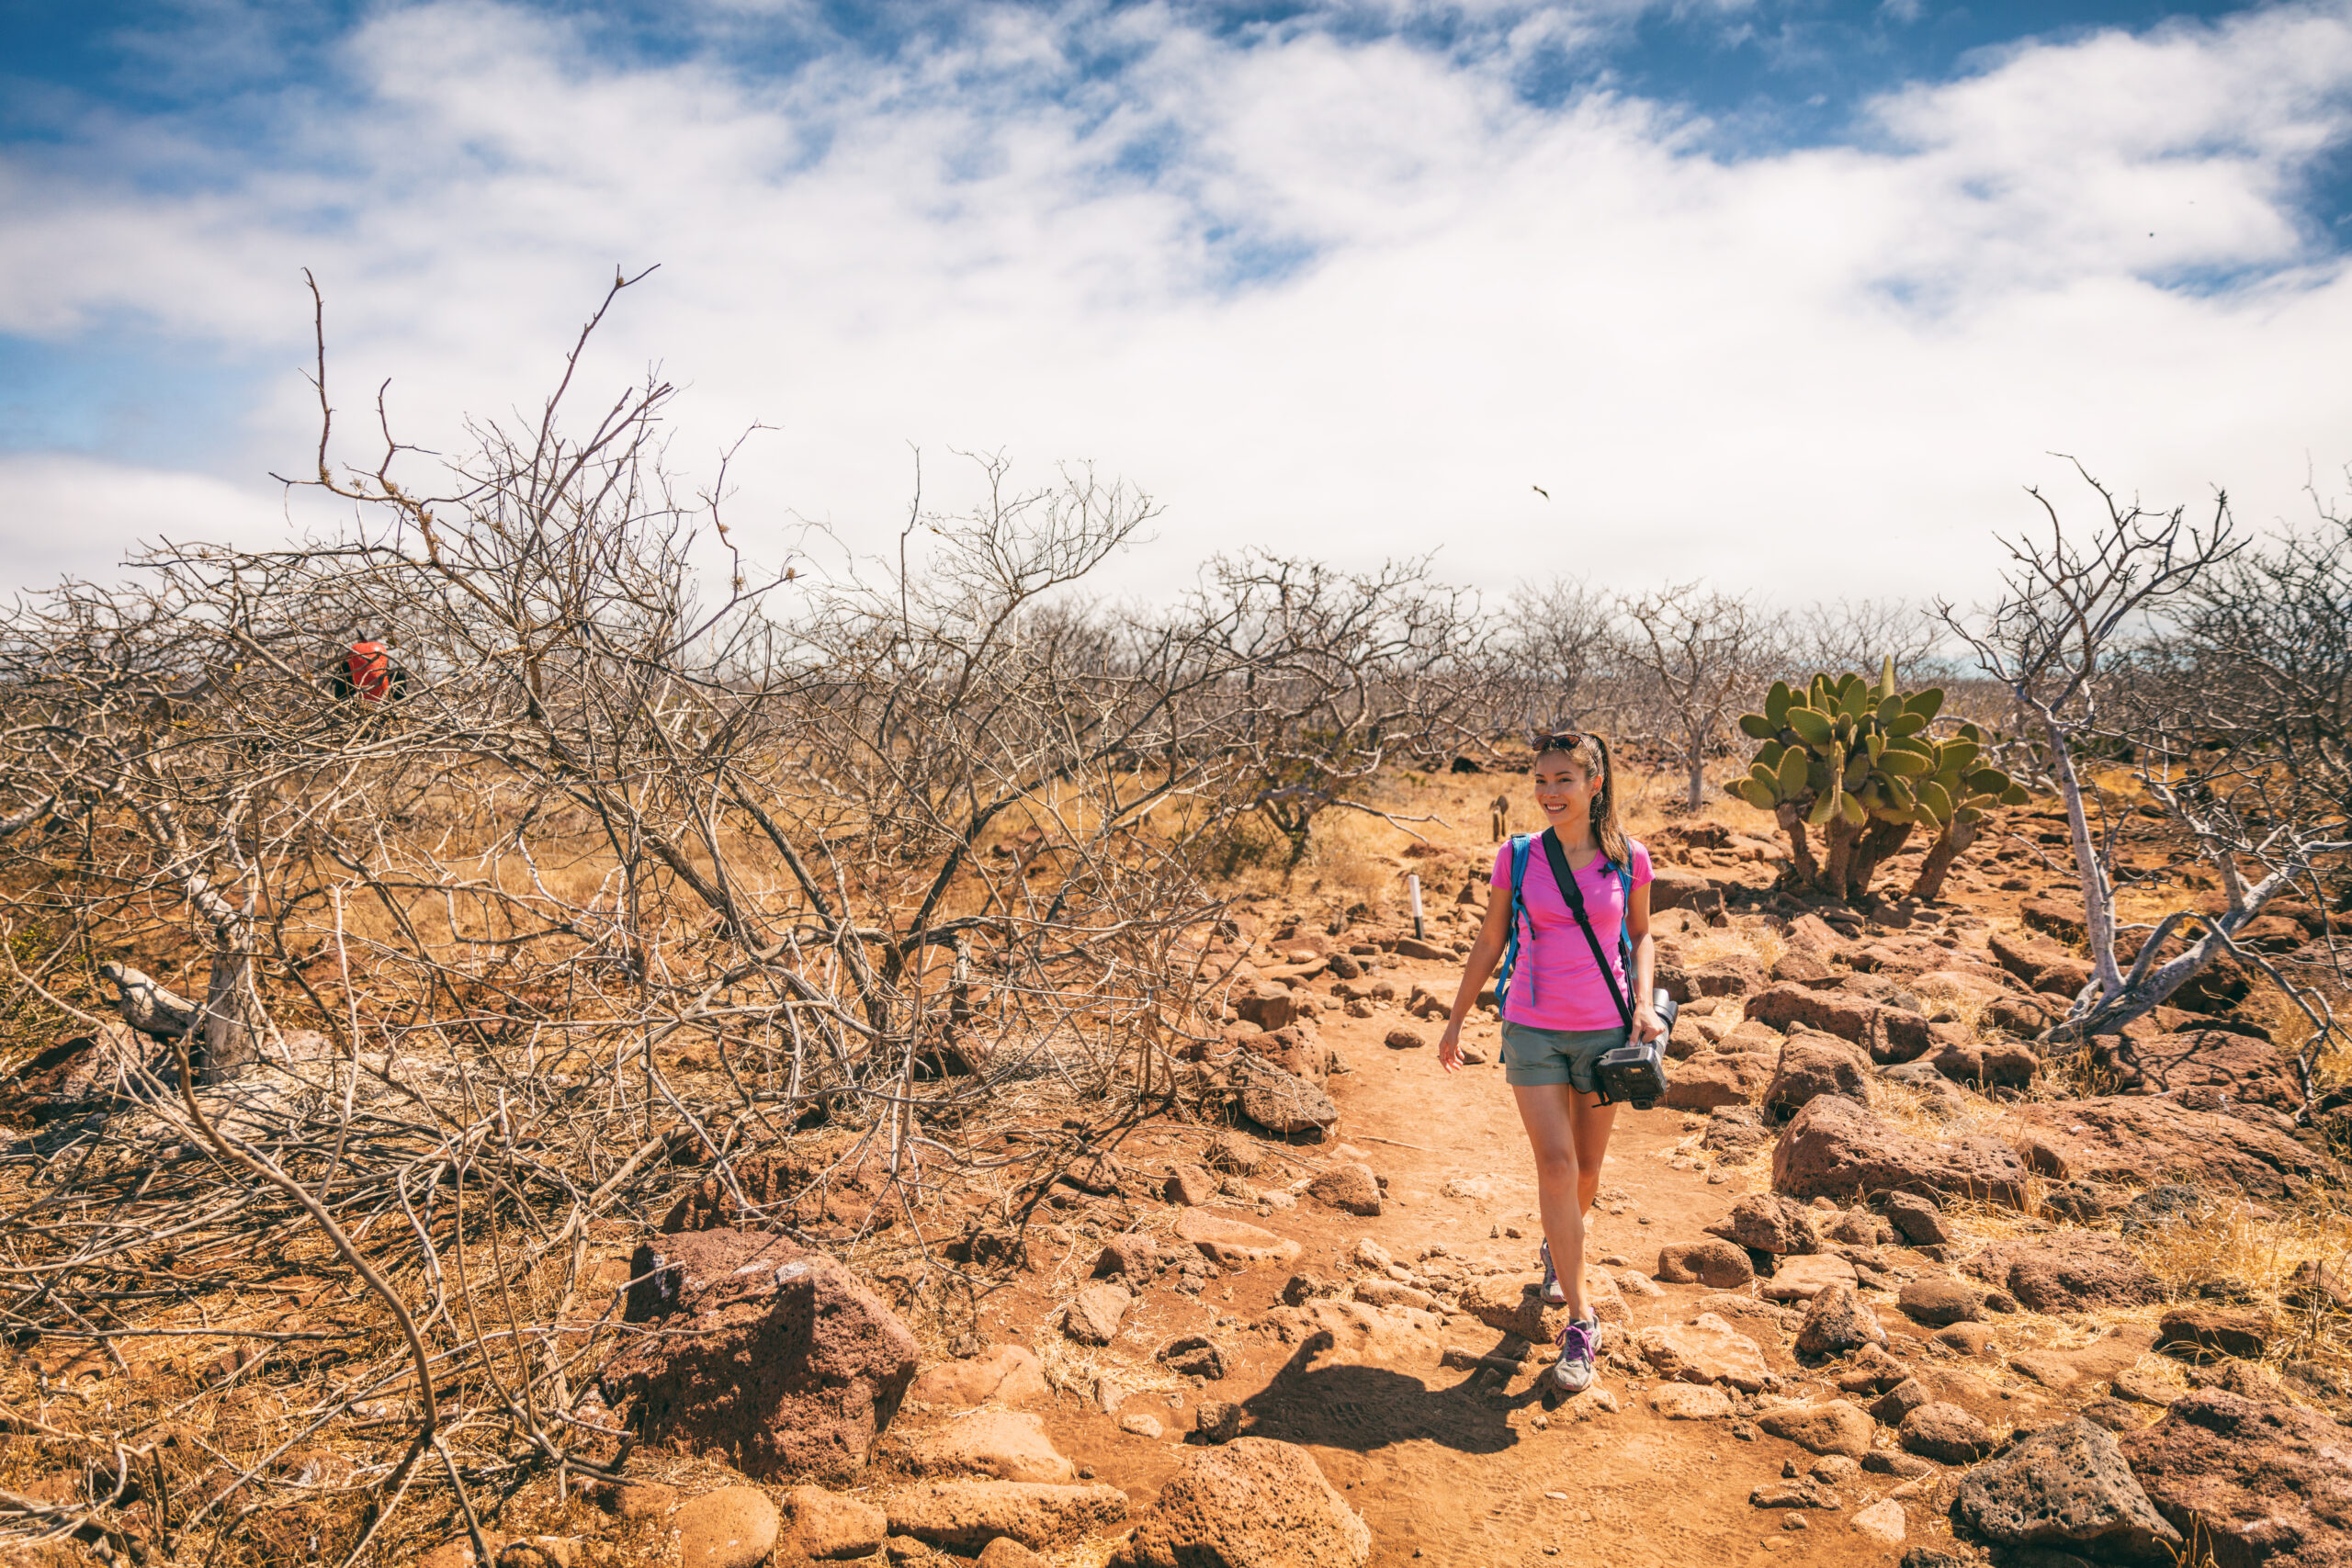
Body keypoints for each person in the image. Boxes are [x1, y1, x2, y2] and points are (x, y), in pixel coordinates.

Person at [1436, 731, 1664, 1395]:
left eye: (1563, 778)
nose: (1549, 791)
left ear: (1595, 783)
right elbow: (1490, 935)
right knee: (1558, 1165)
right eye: (1541, 778)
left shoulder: (1629, 858)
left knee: (1587, 1170)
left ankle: (1556, 1248)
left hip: (1605, 1035)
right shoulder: (1517, 856)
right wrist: (1455, 1017)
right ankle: (1580, 1320)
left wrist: (1644, 1005)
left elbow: (1643, 933)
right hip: (1532, 1030)